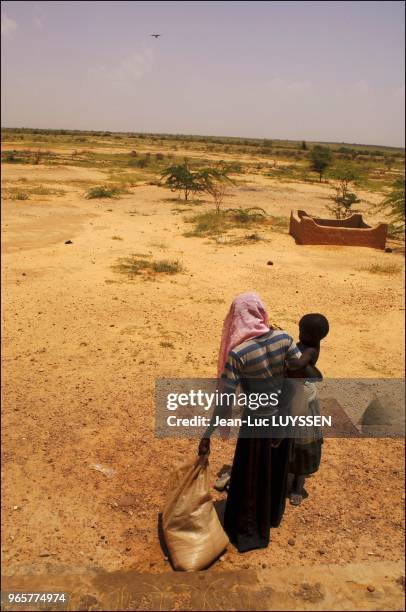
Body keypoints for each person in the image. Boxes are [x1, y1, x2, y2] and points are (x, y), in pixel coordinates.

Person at [198, 292, 301, 553]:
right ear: (261, 313)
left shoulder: (238, 354)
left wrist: (207, 434)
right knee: (274, 471)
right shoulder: (285, 338)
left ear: (235, 319)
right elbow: (298, 375)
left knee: (253, 474)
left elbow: (225, 402)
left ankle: (249, 532)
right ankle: (271, 516)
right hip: (282, 419)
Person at [285, 313, 329, 506]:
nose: (299, 334)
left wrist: (285, 361)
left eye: (303, 331)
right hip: (294, 394)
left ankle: (298, 484)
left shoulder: (311, 349)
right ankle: (288, 476)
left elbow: (300, 364)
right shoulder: (304, 344)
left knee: (303, 443)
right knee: (290, 440)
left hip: (303, 398)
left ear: (314, 336)